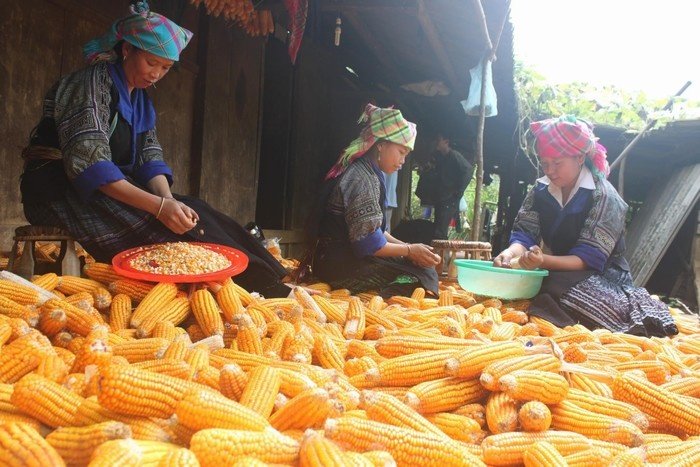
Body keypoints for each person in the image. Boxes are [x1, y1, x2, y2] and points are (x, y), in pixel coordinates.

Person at [19, 2, 289, 297]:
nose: (157, 74)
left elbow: (150, 157)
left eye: (166, 67)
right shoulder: (91, 84)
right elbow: (90, 165)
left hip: (107, 189)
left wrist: (170, 202)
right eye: (151, 62)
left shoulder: (141, 100)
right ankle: (256, 290)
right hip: (61, 191)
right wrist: (159, 209)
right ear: (127, 50)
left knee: (198, 213)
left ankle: (276, 281)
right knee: (161, 231)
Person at [493, 116, 677, 337]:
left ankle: (622, 308)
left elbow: (586, 259)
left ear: (580, 157)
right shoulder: (540, 190)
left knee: (552, 283)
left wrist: (541, 262)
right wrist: (510, 253)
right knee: (534, 279)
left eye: (557, 163)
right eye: (545, 163)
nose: (550, 170)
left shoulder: (605, 197)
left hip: (600, 275)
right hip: (557, 269)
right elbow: (525, 233)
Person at [309, 104, 440, 297]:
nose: (403, 161)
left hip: (345, 257)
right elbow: (369, 244)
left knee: (421, 270)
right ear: (381, 145)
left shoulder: (369, 172)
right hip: (339, 264)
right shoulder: (362, 178)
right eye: (401, 152)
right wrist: (410, 251)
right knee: (417, 279)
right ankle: (370, 296)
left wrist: (409, 250)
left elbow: (376, 231)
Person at [432, 134, 473, 240]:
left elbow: (468, 170)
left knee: (440, 232)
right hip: (441, 198)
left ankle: (441, 256)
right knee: (437, 229)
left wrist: (460, 190)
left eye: (439, 139)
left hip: (449, 198)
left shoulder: (454, 155)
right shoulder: (441, 157)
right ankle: (438, 255)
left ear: (446, 141)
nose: (436, 142)